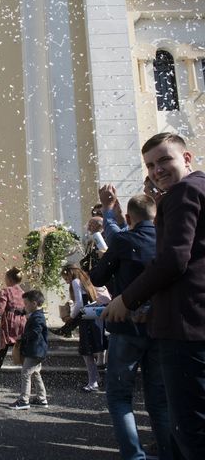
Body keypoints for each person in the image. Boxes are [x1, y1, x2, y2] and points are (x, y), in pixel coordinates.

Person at [103, 132, 205, 459]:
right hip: (176, 319)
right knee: (167, 410)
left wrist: (125, 300)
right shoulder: (196, 189)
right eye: (150, 165)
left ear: (186, 158)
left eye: (164, 160)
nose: (156, 170)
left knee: (189, 428)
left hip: (182, 324)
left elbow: (174, 260)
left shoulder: (183, 192)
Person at [90, 194, 172, 459]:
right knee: (159, 401)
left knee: (119, 396)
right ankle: (169, 454)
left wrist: (107, 258)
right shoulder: (167, 241)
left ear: (128, 219)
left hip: (127, 328)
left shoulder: (125, 241)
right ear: (157, 217)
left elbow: (97, 276)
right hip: (160, 328)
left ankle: (134, 456)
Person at [61, 264, 107, 392]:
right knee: (90, 350)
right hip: (93, 317)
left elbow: (79, 303)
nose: (66, 281)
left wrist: (71, 316)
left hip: (86, 318)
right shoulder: (85, 279)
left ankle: (93, 382)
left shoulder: (76, 281)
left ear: (70, 273)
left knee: (87, 351)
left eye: (66, 278)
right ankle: (96, 378)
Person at [7, 290, 49, 410]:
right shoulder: (36, 315)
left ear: (34, 303)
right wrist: (16, 311)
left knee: (25, 374)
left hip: (35, 351)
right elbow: (24, 312)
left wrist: (22, 336)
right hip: (37, 351)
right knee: (35, 374)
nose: (24, 306)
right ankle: (42, 399)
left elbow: (35, 332)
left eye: (26, 303)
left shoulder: (38, 317)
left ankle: (24, 401)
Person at [0, 267, 26, 390]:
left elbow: (1, 307)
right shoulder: (23, 292)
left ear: (9, 279)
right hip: (22, 323)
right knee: (23, 351)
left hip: (10, 323)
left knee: (3, 352)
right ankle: (26, 381)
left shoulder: (5, 291)